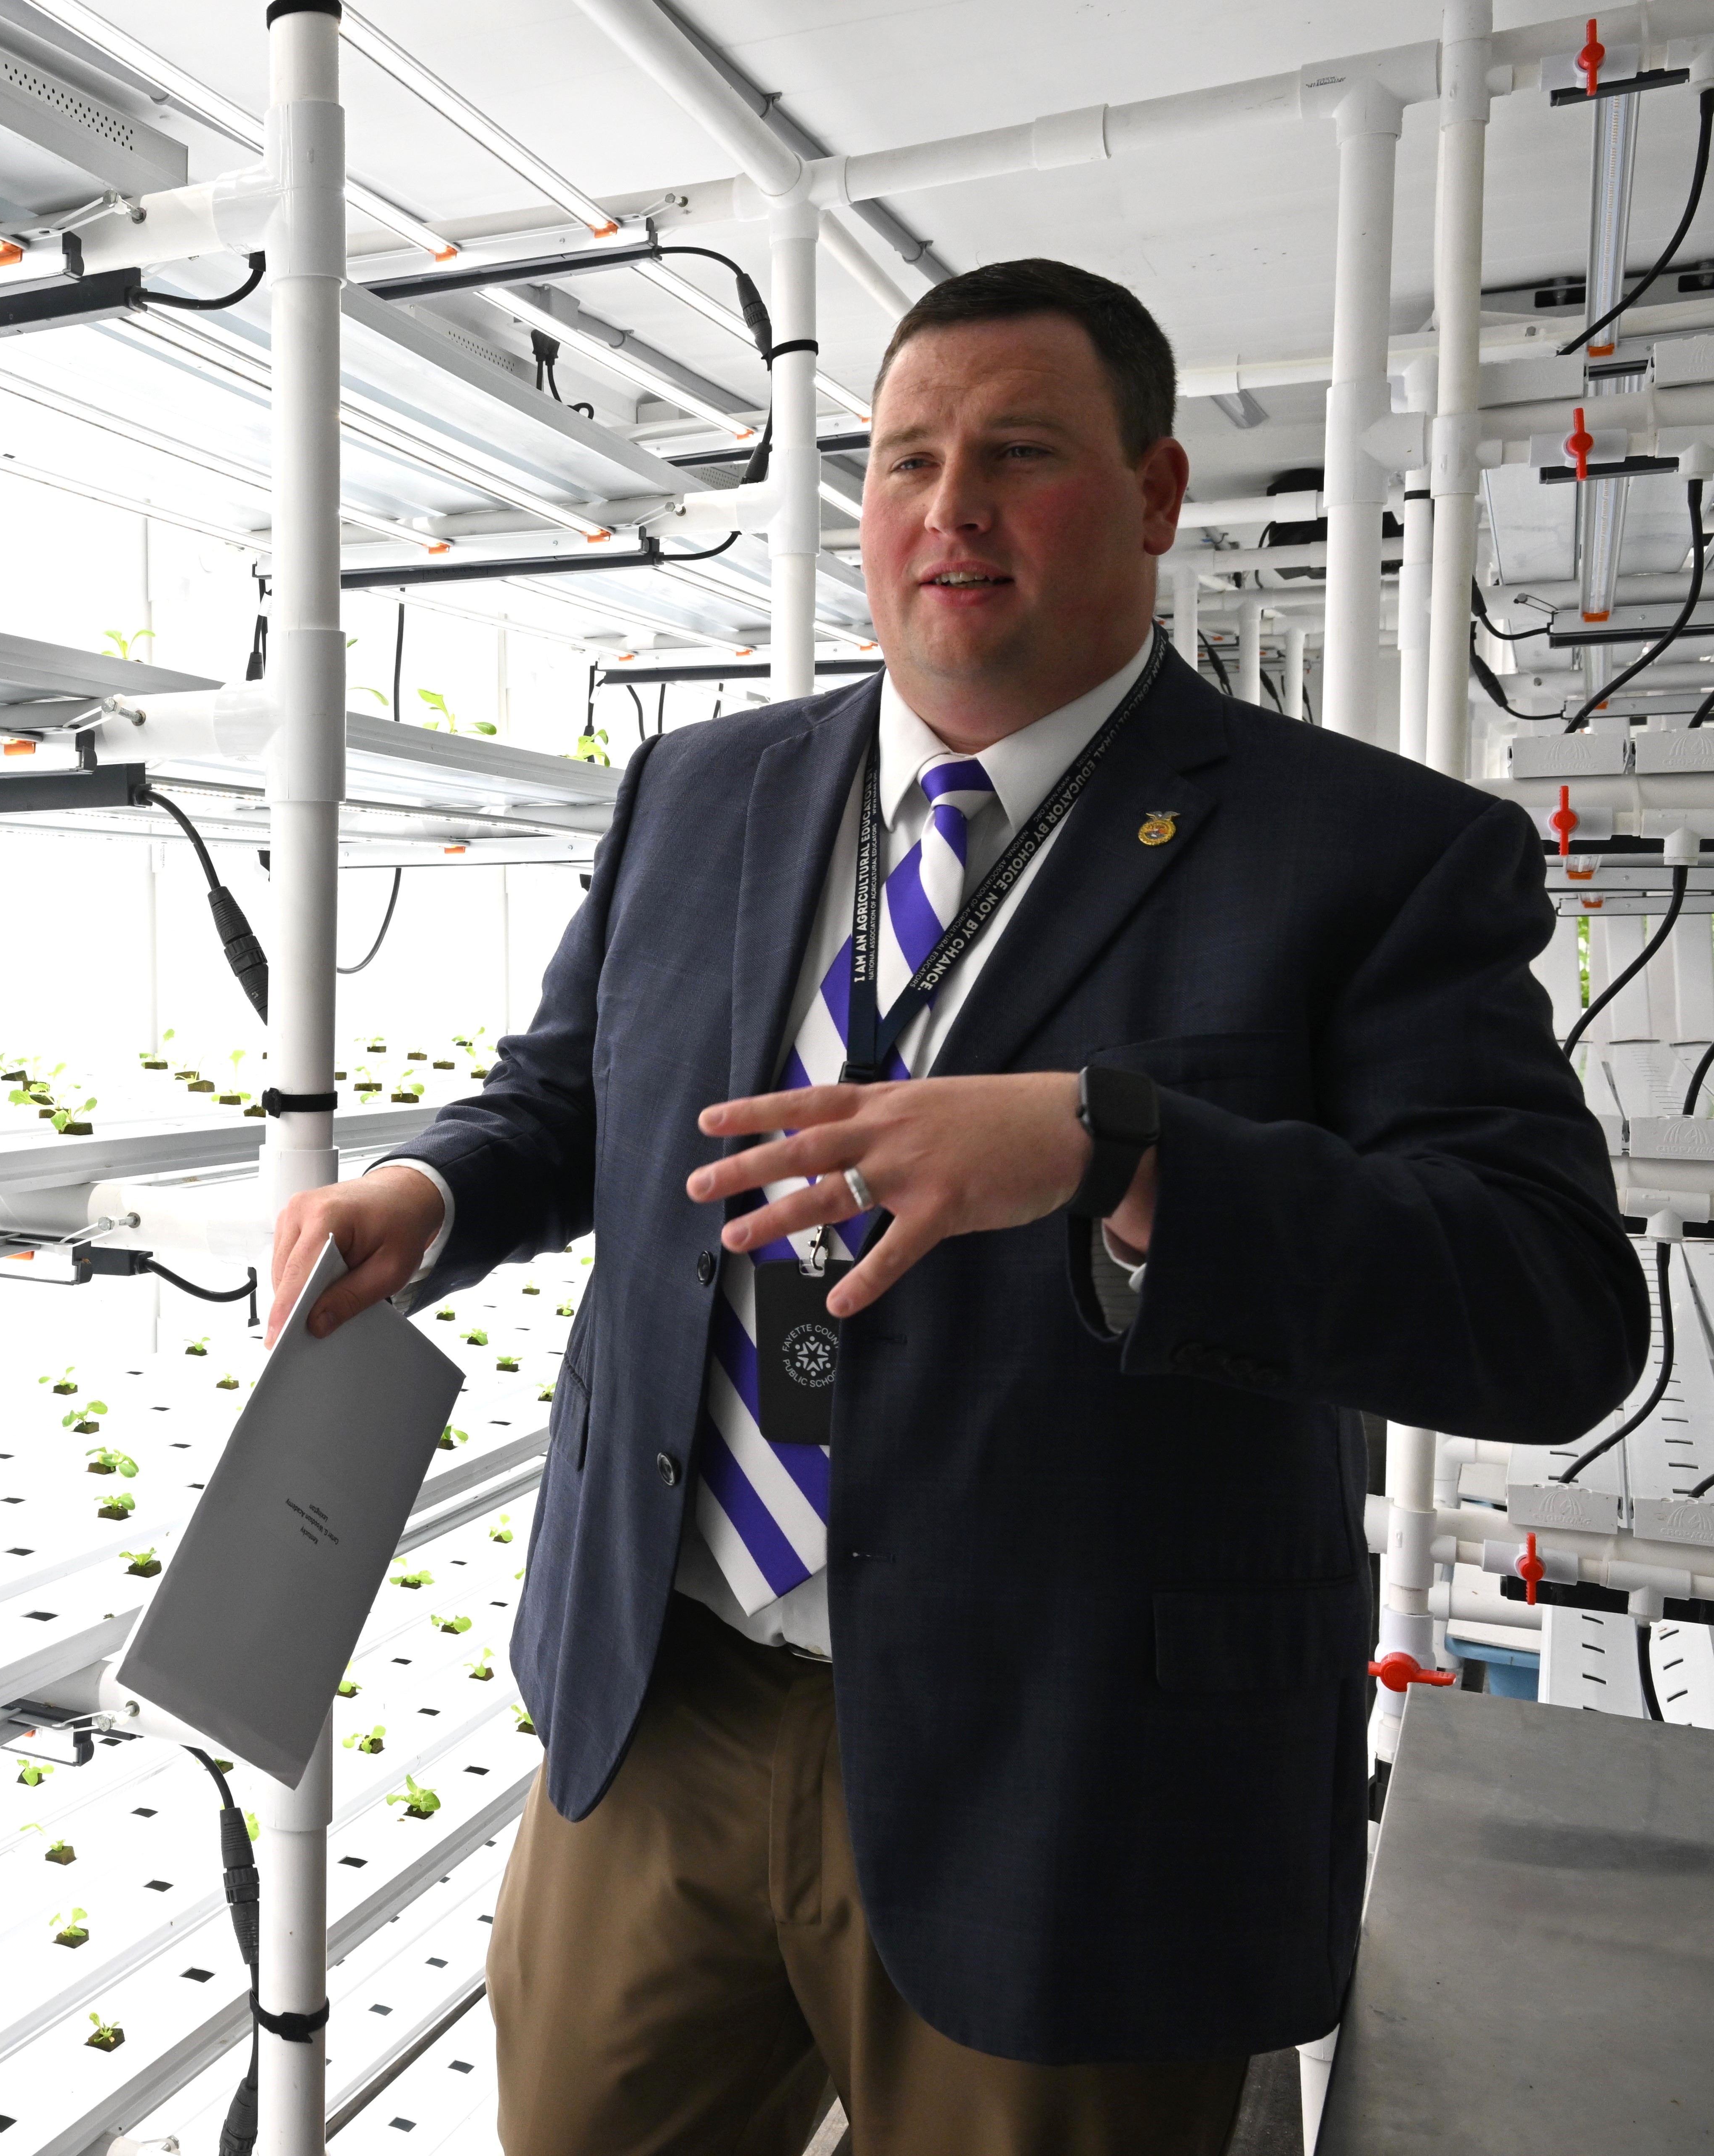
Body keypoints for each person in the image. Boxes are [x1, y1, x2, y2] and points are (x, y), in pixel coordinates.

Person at [267, 258, 1645, 2154]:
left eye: (1020, 453)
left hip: (1079, 1771)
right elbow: (574, 1094)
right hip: (667, 1708)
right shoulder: (704, 789)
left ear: (1157, 496)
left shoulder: (1374, 854)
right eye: (907, 459)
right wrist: (427, 1191)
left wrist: (1120, 1148)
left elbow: (1553, 1305)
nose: (950, 507)